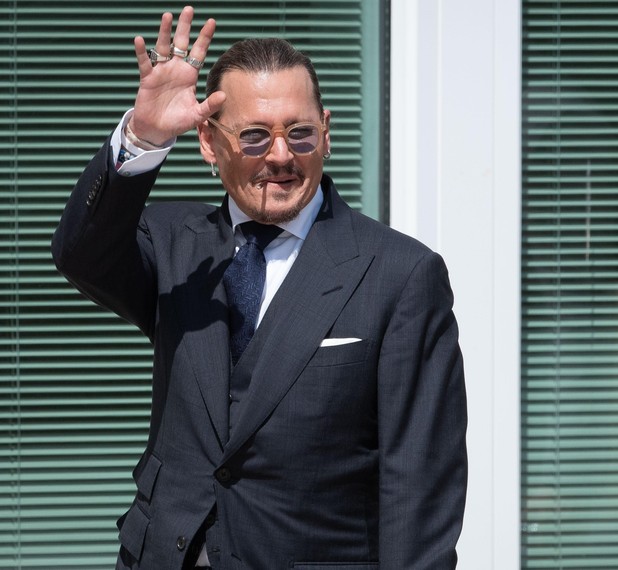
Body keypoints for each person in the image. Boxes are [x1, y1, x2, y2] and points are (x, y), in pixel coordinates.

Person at [52, 6, 467, 570]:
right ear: (207, 141)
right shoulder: (173, 243)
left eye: (299, 133)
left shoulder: (400, 274)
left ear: (326, 133)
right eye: (253, 136)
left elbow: (418, 485)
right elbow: (81, 255)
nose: (279, 156)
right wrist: (144, 137)